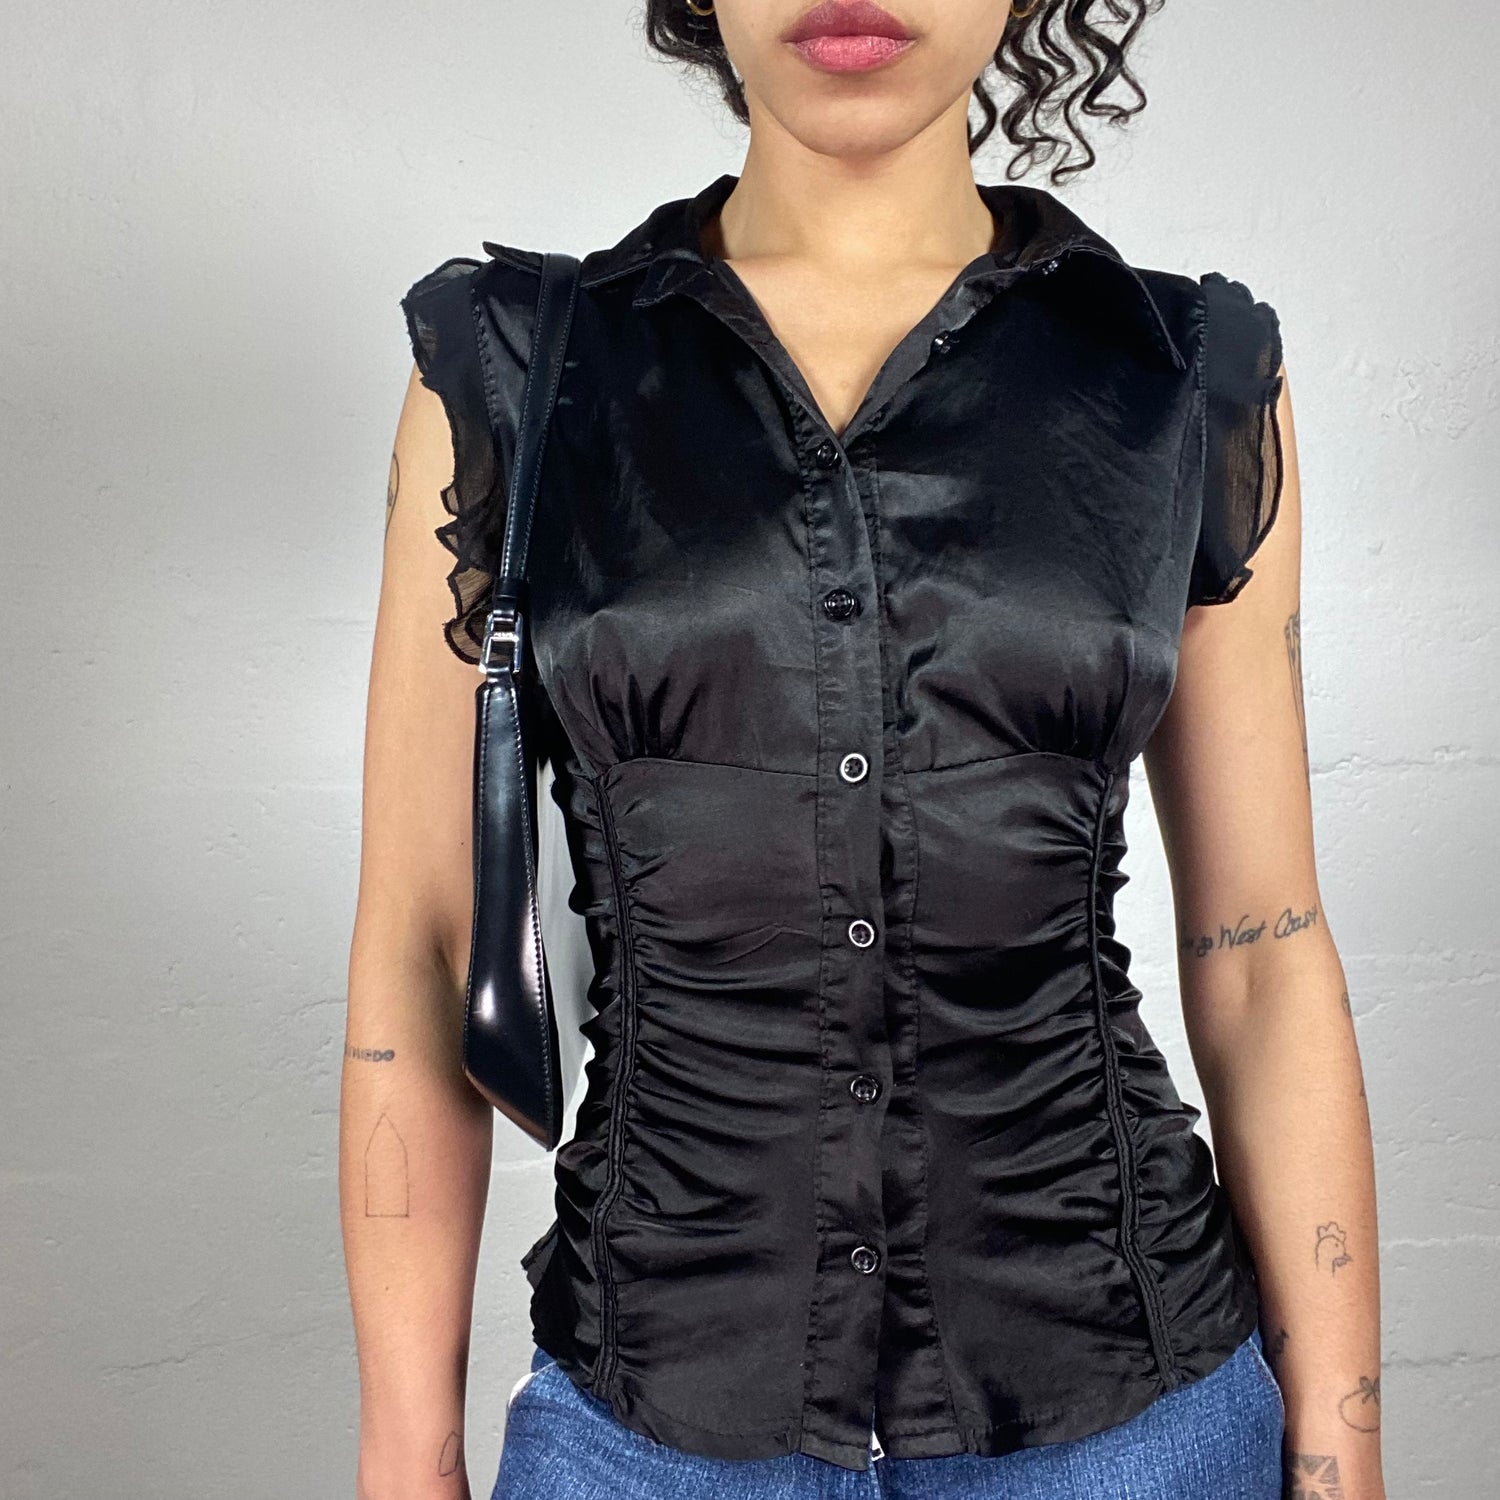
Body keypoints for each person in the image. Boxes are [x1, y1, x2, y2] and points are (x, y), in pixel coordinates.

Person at [340, 2, 1384, 1498]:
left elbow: (1263, 954)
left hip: (1129, 1424)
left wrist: (1342, 1463)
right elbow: (422, 945)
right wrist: (405, 1460)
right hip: (647, 1431)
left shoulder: (1183, 374)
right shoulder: (512, 373)